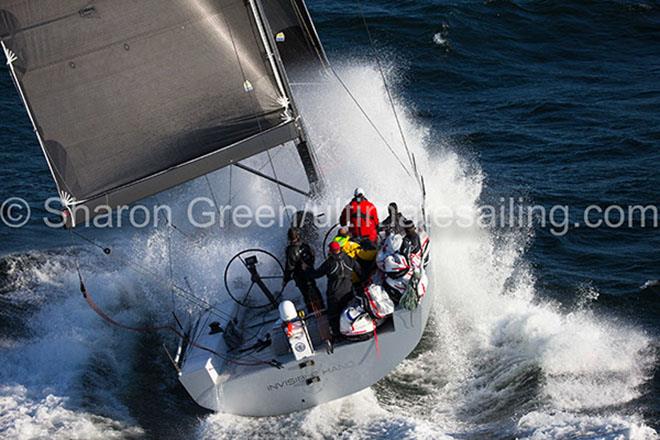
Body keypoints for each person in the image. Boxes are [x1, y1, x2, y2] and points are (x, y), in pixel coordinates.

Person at [309, 241, 362, 335]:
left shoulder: (329, 263)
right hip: (348, 291)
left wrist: (307, 268)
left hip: (334, 294)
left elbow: (316, 274)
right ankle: (351, 330)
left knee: (334, 316)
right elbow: (359, 270)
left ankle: (337, 334)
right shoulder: (349, 258)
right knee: (349, 312)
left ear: (331, 251)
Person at [283, 228, 324, 314]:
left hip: (300, 276)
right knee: (314, 288)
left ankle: (311, 312)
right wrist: (310, 266)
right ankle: (322, 307)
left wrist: (286, 279)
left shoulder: (290, 250)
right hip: (309, 272)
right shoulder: (305, 245)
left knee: (306, 294)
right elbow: (312, 256)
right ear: (298, 236)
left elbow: (290, 266)